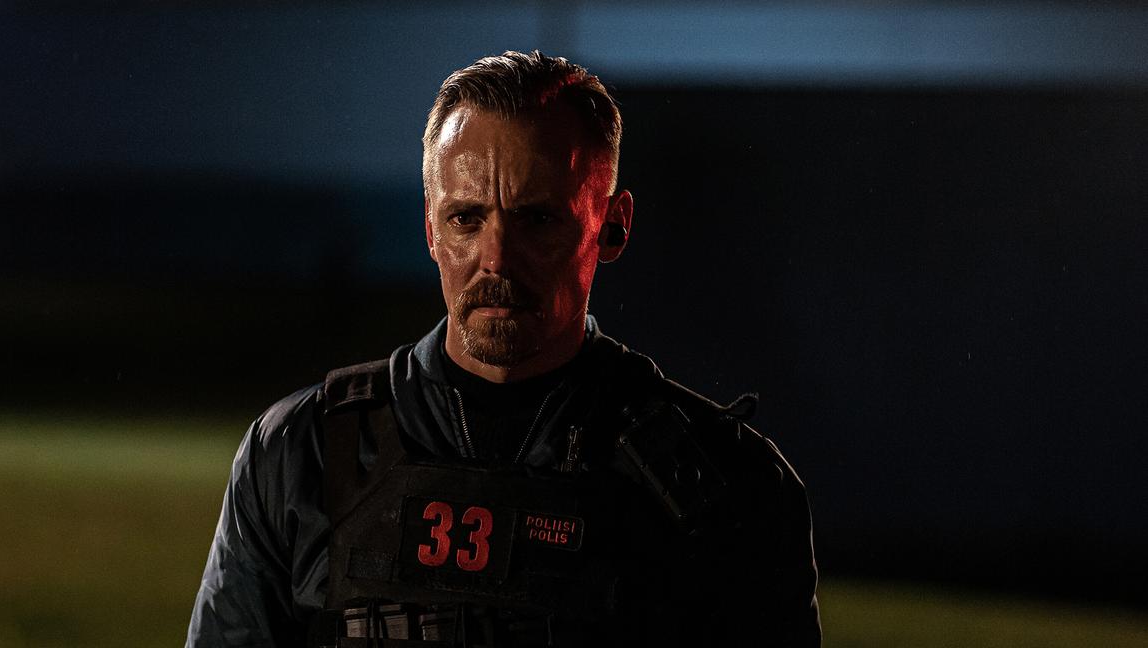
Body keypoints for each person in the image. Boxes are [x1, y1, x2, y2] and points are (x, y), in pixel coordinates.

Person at [187, 50, 820, 647]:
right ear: (430, 228)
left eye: (536, 219)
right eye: (466, 219)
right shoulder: (298, 454)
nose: (496, 258)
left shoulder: (729, 488)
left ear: (613, 226)